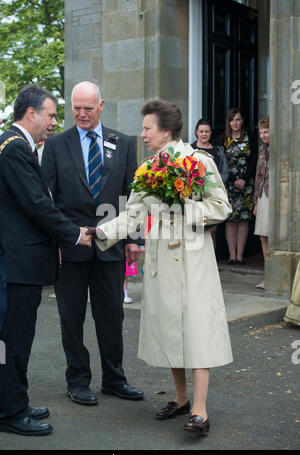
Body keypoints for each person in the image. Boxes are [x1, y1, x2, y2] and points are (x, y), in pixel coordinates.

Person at [88, 100, 233, 435]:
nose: (142, 135)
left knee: (196, 328)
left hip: (193, 258)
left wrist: (187, 207)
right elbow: (134, 214)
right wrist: (100, 232)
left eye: (147, 129)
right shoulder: (147, 169)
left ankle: (200, 410)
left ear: (165, 131)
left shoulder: (199, 161)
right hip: (160, 259)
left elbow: (221, 206)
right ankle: (181, 399)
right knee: (171, 329)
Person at [41, 81, 144, 405]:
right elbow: (47, 199)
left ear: (101, 105)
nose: (81, 114)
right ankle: (78, 381)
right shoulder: (56, 145)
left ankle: (115, 379)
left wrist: (132, 239)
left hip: (112, 248)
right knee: (71, 319)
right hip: (71, 249)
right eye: (76, 108)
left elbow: (132, 195)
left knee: (112, 317)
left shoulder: (123, 143)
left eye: (88, 108)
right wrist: (58, 240)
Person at [0, 85, 92, 436]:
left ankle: (15, 401)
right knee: (14, 341)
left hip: (19, 261)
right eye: (51, 114)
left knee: (15, 339)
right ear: (31, 113)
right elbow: (36, 204)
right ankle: (10, 412)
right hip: (17, 264)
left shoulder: (16, 145)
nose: (55, 121)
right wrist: (73, 233)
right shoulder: (14, 150)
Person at [221, 108, 258, 264]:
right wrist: (235, 178)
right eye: (232, 120)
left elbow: (254, 158)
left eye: (238, 119)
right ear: (228, 122)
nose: (235, 123)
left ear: (242, 121)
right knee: (230, 219)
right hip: (230, 184)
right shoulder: (224, 138)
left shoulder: (250, 137)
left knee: (243, 219)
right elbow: (223, 161)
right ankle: (231, 255)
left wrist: (244, 178)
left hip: (246, 184)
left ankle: (240, 255)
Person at [191, 118, 229, 249]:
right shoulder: (190, 150)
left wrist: (215, 185)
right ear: (196, 132)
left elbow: (224, 170)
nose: (204, 134)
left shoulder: (219, 150)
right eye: (201, 131)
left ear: (211, 133)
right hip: (196, 196)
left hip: (214, 194)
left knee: (212, 231)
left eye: (207, 131)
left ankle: (212, 260)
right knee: (199, 231)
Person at [253, 117, 270, 289]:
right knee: (263, 235)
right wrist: (256, 201)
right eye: (261, 132)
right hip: (263, 195)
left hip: (277, 195)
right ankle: (269, 275)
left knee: (273, 236)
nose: (263, 135)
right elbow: (258, 176)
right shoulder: (261, 149)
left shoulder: (280, 148)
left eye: (266, 131)